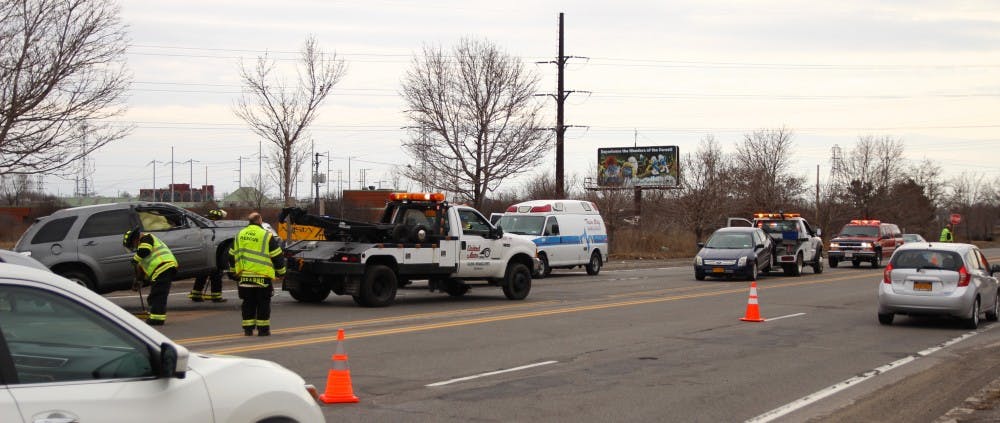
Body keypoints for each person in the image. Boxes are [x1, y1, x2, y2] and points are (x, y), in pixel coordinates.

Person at [229, 212, 286, 336]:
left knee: (248, 303)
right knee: (263, 303)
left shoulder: (239, 235)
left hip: (244, 276)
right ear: (260, 220)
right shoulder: (266, 235)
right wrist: (282, 272)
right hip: (262, 277)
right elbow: (277, 256)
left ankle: (248, 329)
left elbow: (231, 255)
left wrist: (233, 272)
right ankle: (263, 330)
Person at [123, 227, 178, 326]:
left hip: (164, 266)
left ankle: (157, 319)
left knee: (158, 294)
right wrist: (138, 281)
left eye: (132, 245)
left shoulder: (146, 238)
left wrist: (135, 260)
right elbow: (141, 270)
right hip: (160, 270)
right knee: (154, 295)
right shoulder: (141, 251)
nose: (133, 247)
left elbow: (145, 251)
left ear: (135, 239)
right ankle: (155, 315)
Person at [189, 208, 228, 303]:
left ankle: (196, 294)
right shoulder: (214, 227)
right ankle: (216, 296)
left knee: (202, 274)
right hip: (214, 256)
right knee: (216, 275)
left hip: (204, 253)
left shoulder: (203, 225)